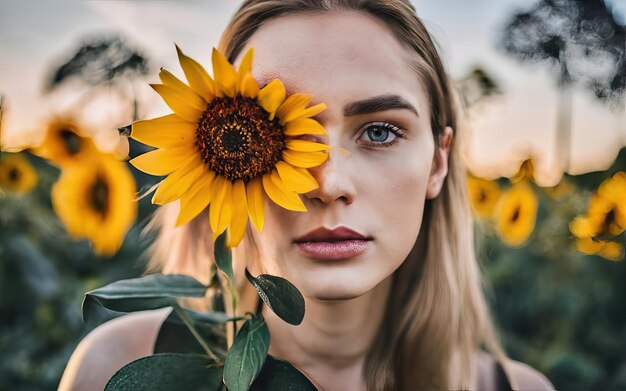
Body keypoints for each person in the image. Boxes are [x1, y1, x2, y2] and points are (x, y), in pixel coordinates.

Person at [59, 1, 555, 390]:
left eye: (380, 132)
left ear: (438, 161)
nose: (329, 184)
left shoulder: (515, 388)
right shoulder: (115, 368)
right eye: (273, 131)